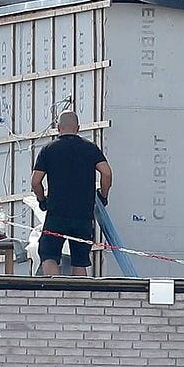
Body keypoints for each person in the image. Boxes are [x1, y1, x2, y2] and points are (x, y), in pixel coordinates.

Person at [30, 111, 112, 276]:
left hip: (56, 214)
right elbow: (107, 173)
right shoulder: (90, 148)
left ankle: (55, 293)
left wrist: (42, 199)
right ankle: (79, 297)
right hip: (83, 215)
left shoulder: (48, 149)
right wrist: (103, 195)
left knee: (48, 255)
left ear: (58, 128)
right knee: (80, 261)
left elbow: (35, 182)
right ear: (78, 128)